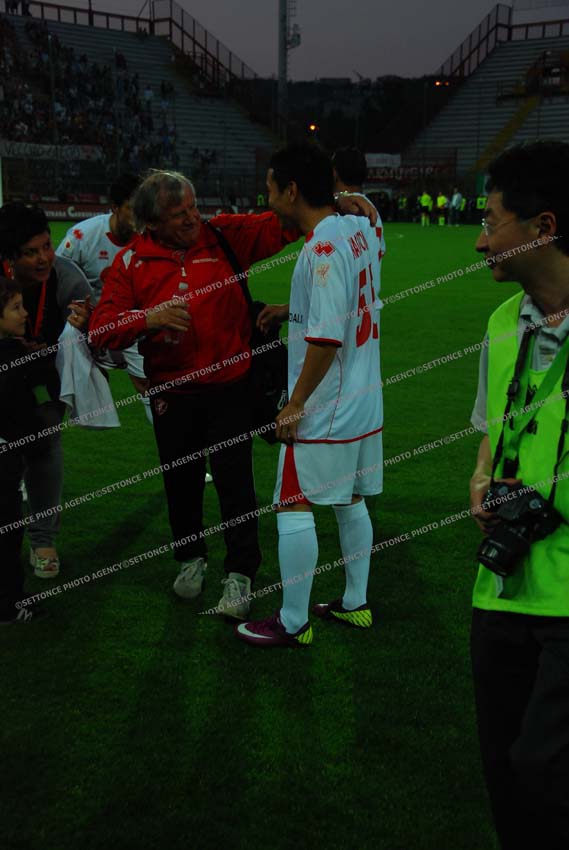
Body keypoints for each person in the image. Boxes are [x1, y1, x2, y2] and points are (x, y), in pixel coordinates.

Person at [89, 170, 375, 619]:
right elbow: (101, 329)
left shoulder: (221, 235)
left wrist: (339, 199)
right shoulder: (130, 263)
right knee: (181, 482)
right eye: (178, 214)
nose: (192, 218)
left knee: (235, 482)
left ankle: (240, 574)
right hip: (172, 392)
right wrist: (149, 319)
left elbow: (287, 220)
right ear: (152, 223)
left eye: (193, 207)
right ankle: (190, 559)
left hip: (230, 385)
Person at [236, 142, 384, 647]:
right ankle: (355, 603)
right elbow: (342, 303)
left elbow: (325, 337)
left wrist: (295, 402)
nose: (267, 197)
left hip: (328, 402)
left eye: (271, 187)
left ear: (292, 190)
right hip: (364, 396)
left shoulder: (321, 248)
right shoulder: (360, 227)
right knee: (351, 497)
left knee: (292, 502)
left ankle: (293, 621)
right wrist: (290, 309)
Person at [469, 141, 569, 850]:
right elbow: (491, 433)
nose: (480, 241)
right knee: (504, 769)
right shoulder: (503, 320)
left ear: (543, 227)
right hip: (501, 587)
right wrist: (481, 481)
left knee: (546, 773)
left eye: (491, 221)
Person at [0, 204, 92, 579]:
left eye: (47, 247)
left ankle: (42, 540)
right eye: (31, 252)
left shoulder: (67, 278)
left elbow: (97, 327)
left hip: (44, 374)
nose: (43, 258)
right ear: (8, 257)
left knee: (45, 441)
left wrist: (86, 324)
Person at [56, 173, 156, 427]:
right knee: (66, 336)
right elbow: (56, 278)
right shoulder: (81, 237)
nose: (139, 217)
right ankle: (77, 410)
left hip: (131, 324)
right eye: (132, 209)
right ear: (115, 207)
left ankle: (172, 440)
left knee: (151, 387)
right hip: (89, 325)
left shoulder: (151, 239)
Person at [0, 277, 51, 622]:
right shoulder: (13, 358)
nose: (25, 313)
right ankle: (9, 603)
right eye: (15, 308)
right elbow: (21, 411)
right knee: (7, 531)